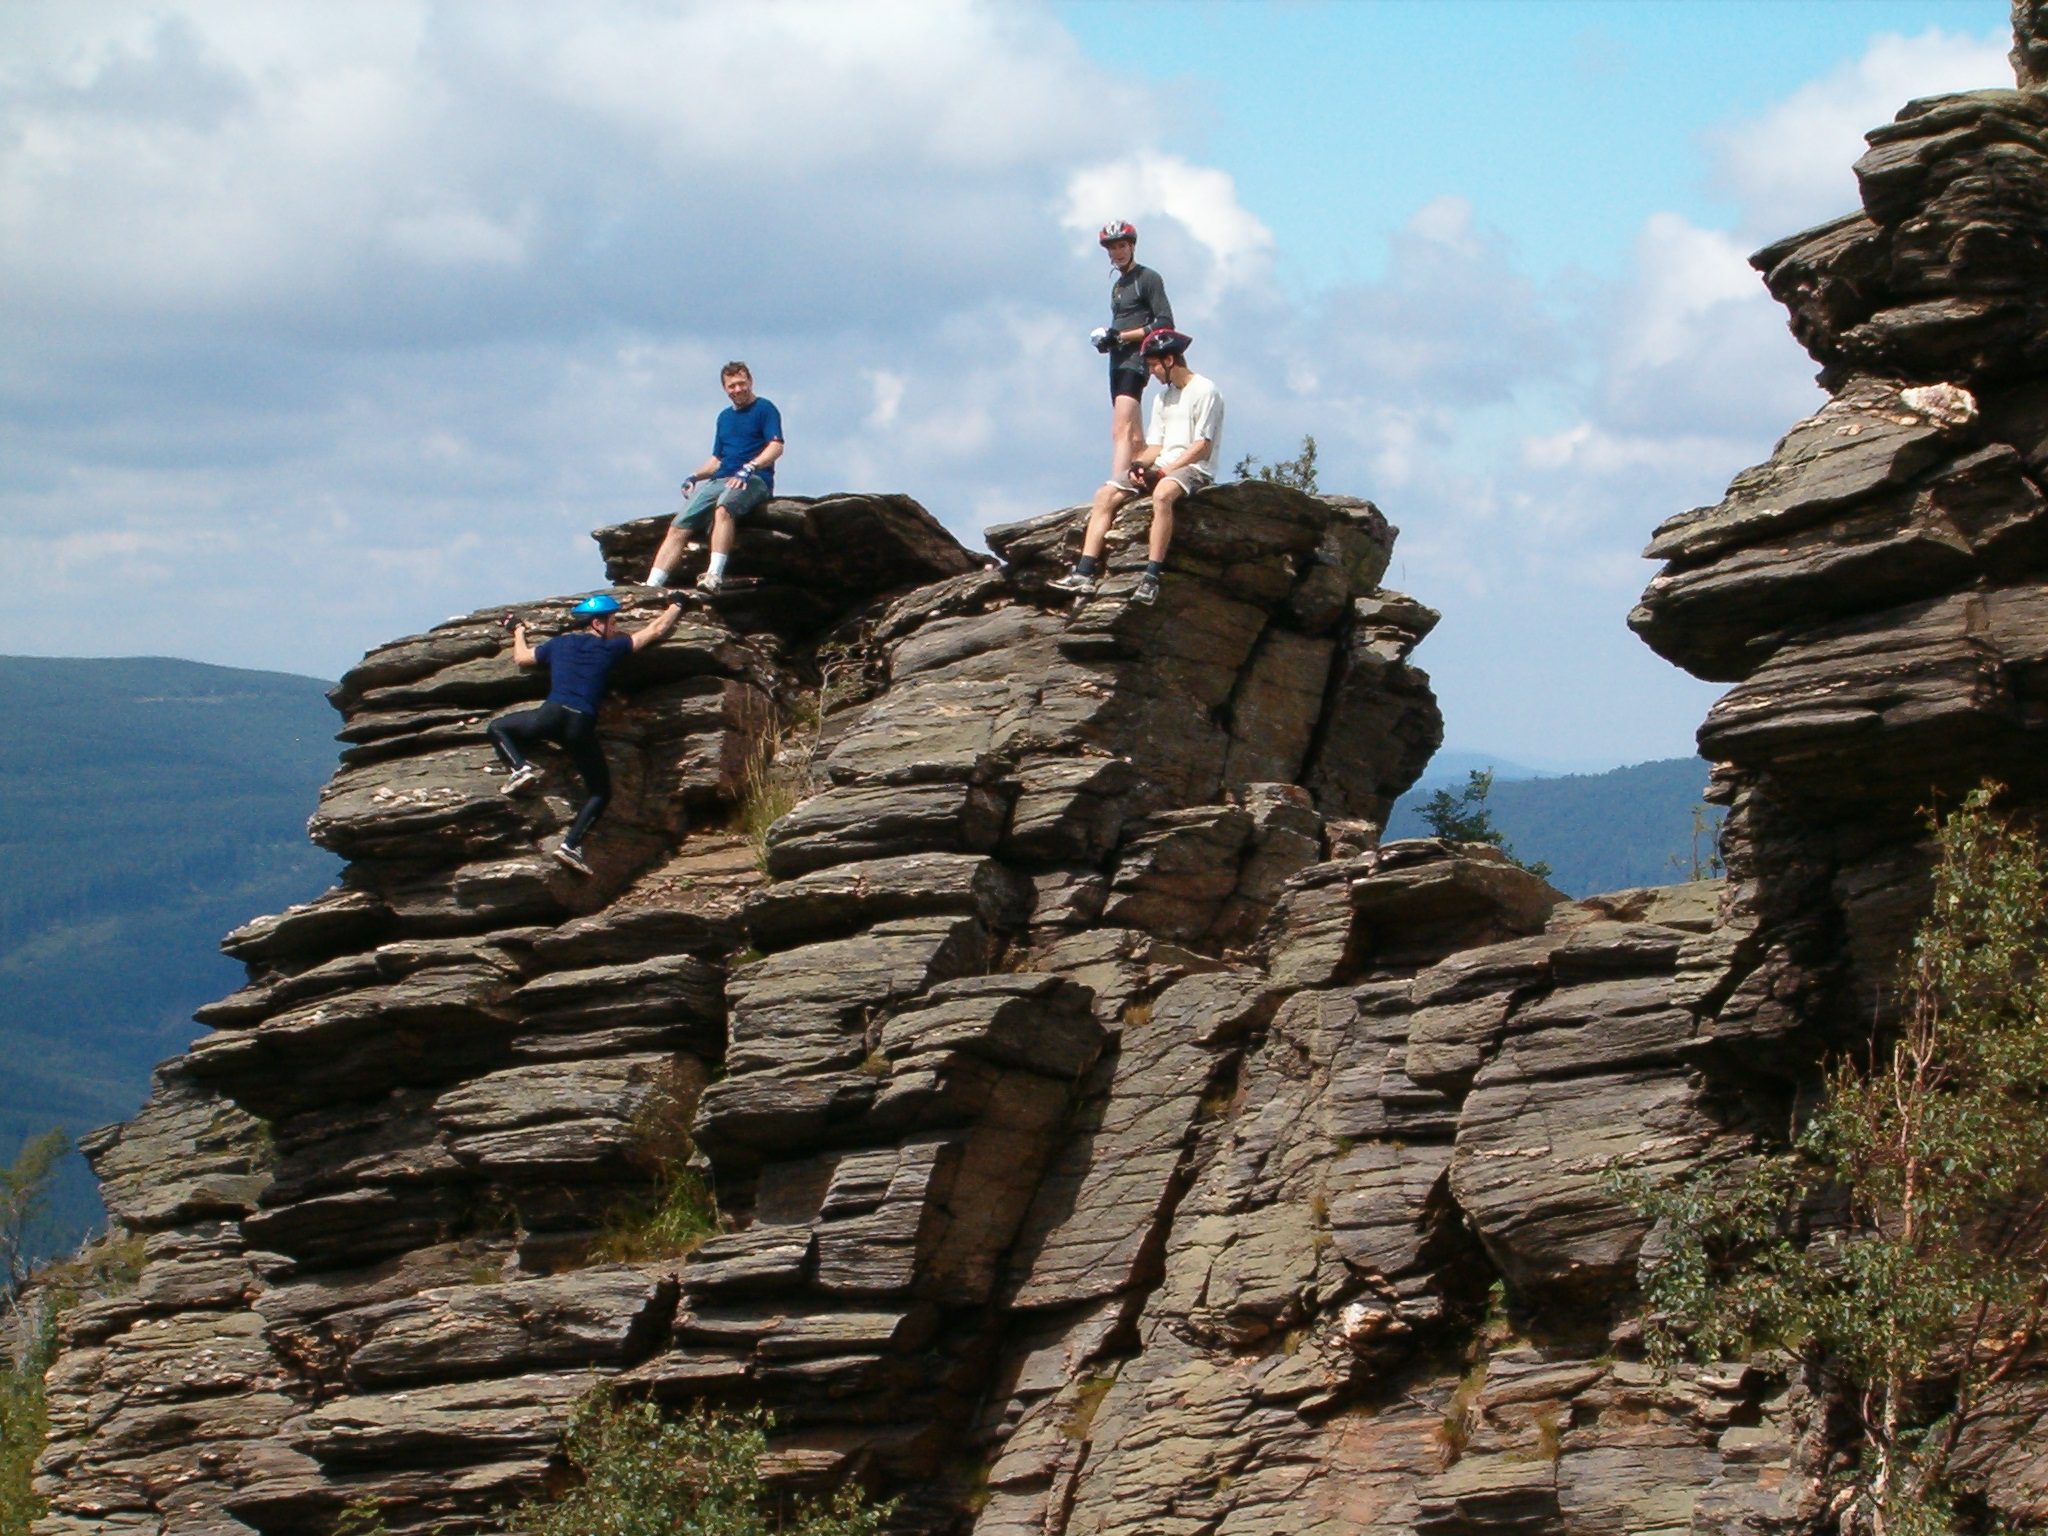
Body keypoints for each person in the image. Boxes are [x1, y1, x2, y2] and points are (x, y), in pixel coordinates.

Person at [488, 592, 685, 875]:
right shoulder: (612, 648)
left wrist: (517, 630)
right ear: (597, 623)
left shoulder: (559, 644)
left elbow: (521, 658)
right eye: (613, 621)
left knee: (498, 727)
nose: (616, 627)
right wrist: (676, 606)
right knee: (601, 791)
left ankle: (520, 768)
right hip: (580, 725)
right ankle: (570, 845)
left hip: (551, 715)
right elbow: (655, 631)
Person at [1050, 329, 1222, 607]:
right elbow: (1155, 445)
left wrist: (1165, 472)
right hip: (1164, 464)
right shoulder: (1162, 399)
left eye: (1154, 364)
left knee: (1163, 494)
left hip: (1194, 468)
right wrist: (1140, 466)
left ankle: (1151, 577)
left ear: (1169, 360)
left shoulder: (1205, 390)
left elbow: (1202, 446)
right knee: (1105, 494)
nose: (1151, 372)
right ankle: (1084, 571)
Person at [643, 362, 785, 593]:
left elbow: (776, 446)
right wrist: (694, 476)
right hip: (721, 478)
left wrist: (750, 467)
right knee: (679, 526)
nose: (737, 389)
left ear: (750, 382)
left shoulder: (765, 408)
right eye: (732, 386)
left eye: (741, 383)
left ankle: (713, 574)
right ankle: (652, 585)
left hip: (754, 478)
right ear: (725, 389)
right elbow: (718, 459)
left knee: (723, 509)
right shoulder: (724, 417)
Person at [1090, 221, 1174, 493]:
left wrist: (1123, 336)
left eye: (1122, 246)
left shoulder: (1147, 278)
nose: (1118, 252)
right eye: (1113, 248)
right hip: (1117, 360)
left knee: (1120, 428)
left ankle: (1116, 486)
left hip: (1137, 359)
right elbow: (1123, 324)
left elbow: (1164, 322)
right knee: (1136, 436)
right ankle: (1144, 482)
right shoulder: (1118, 285)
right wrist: (1110, 340)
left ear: (1132, 246)